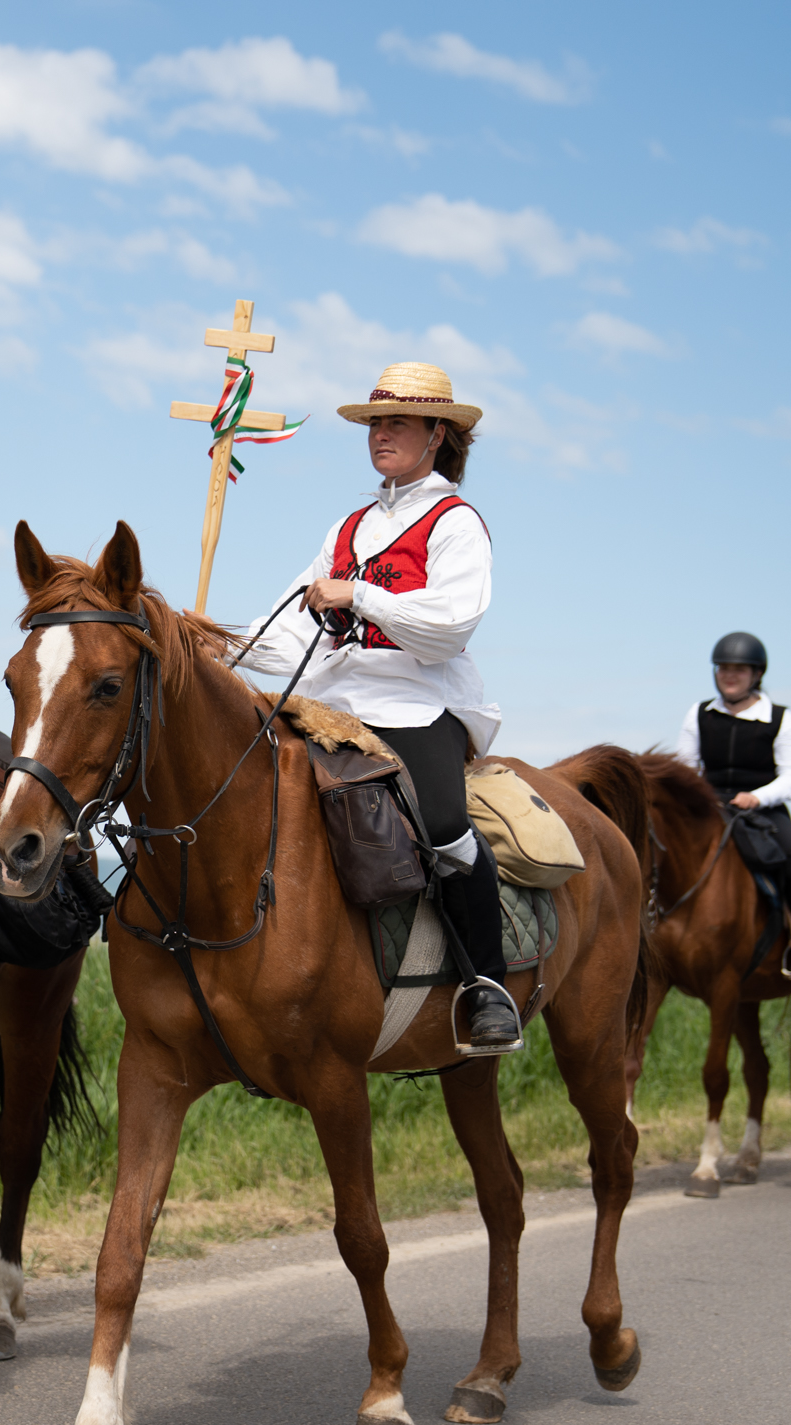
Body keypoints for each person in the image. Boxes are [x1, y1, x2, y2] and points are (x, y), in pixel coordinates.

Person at [227, 361, 519, 1053]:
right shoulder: (349, 526)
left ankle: (488, 986)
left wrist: (358, 595)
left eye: (396, 423)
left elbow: (450, 624)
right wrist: (211, 645)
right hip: (331, 698)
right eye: (374, 424)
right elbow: (289, 625)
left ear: (437, 435)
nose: (380, 435)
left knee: (444, 825)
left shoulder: (457, 523)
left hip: (416, 703)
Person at [673, 631, 791, 980]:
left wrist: (757, 796)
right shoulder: (698, 714)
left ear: (756, 674)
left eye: (739, 669)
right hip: (710, 806)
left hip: (762, 809)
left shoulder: (779, 718)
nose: (730, 675)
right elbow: (684, 768)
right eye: (724, 668)